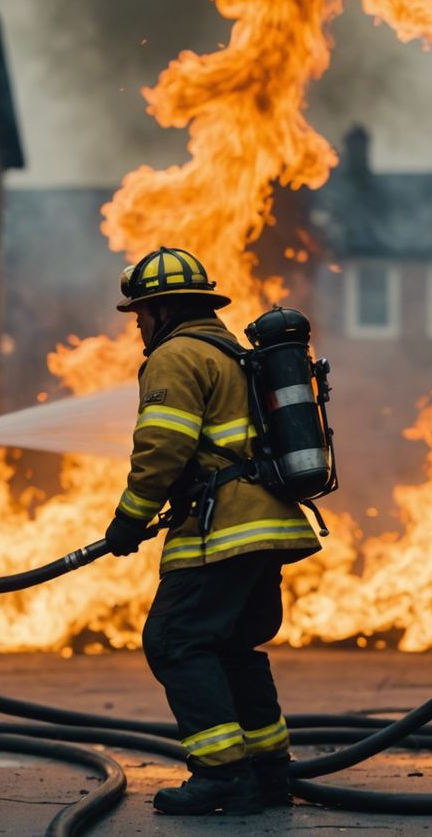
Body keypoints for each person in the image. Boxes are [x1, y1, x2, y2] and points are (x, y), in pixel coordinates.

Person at [105, 247, 321, 815]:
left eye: (141, 315)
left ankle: (222, 775)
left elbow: (162, 447)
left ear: (162, 310)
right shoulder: (231, 352)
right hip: (264, 526)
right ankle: (269, 773)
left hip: (221, 531)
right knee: (233, 648)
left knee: (175, 641)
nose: (139, 328)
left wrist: (129, 517)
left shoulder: (176, 355)